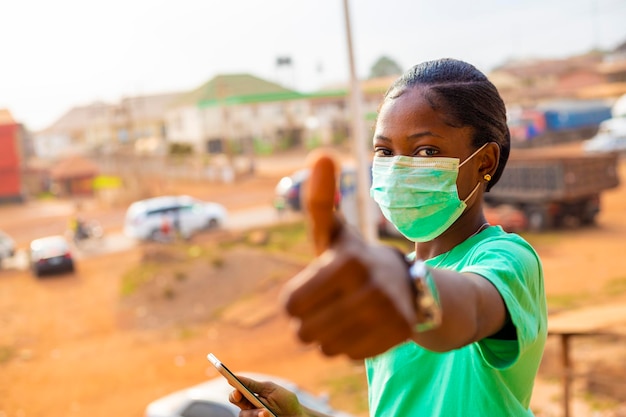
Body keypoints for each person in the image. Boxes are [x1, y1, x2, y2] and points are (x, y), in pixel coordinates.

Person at [228, 58, 547, 416]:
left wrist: (408, 289)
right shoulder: (388, 282)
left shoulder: (506, 259)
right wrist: (300, 415)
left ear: (484, 162)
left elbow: (471, 309)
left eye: (426, 150)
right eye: (384, 151)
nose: (397, 168)